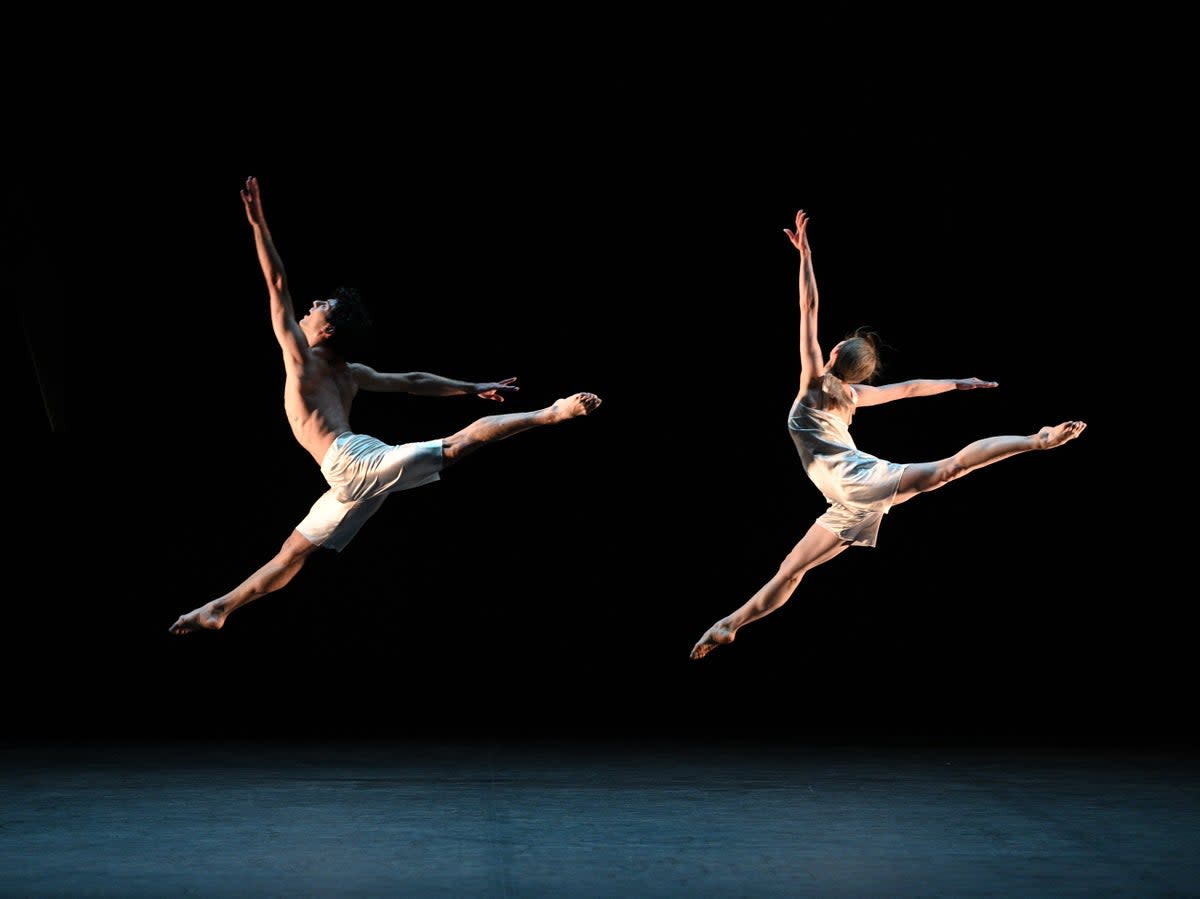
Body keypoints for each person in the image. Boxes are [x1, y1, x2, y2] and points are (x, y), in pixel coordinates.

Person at [169, 176, 602, 635]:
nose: (311, 305)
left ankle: (552, 412)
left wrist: (258, 224)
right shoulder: (349, 372)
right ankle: (220, 608)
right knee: (293, 552)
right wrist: (470, 385)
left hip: (354, 463)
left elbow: (276, 282)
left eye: (321, 305)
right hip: (350, 473)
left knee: (455, 447)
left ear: (328, 330)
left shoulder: (302, 358)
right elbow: (413, 382)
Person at [689, 209, 1085, 660]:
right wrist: (958, 382)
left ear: (834, 352)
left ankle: (1038, 439)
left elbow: (808, 307)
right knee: (790, 572)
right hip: (847, 500)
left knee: (948, 470)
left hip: (859, 479)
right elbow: (911, 388)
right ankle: (729, 624)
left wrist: (807, 256)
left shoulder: (814, 385)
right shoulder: (854, 397)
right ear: (858, 371)